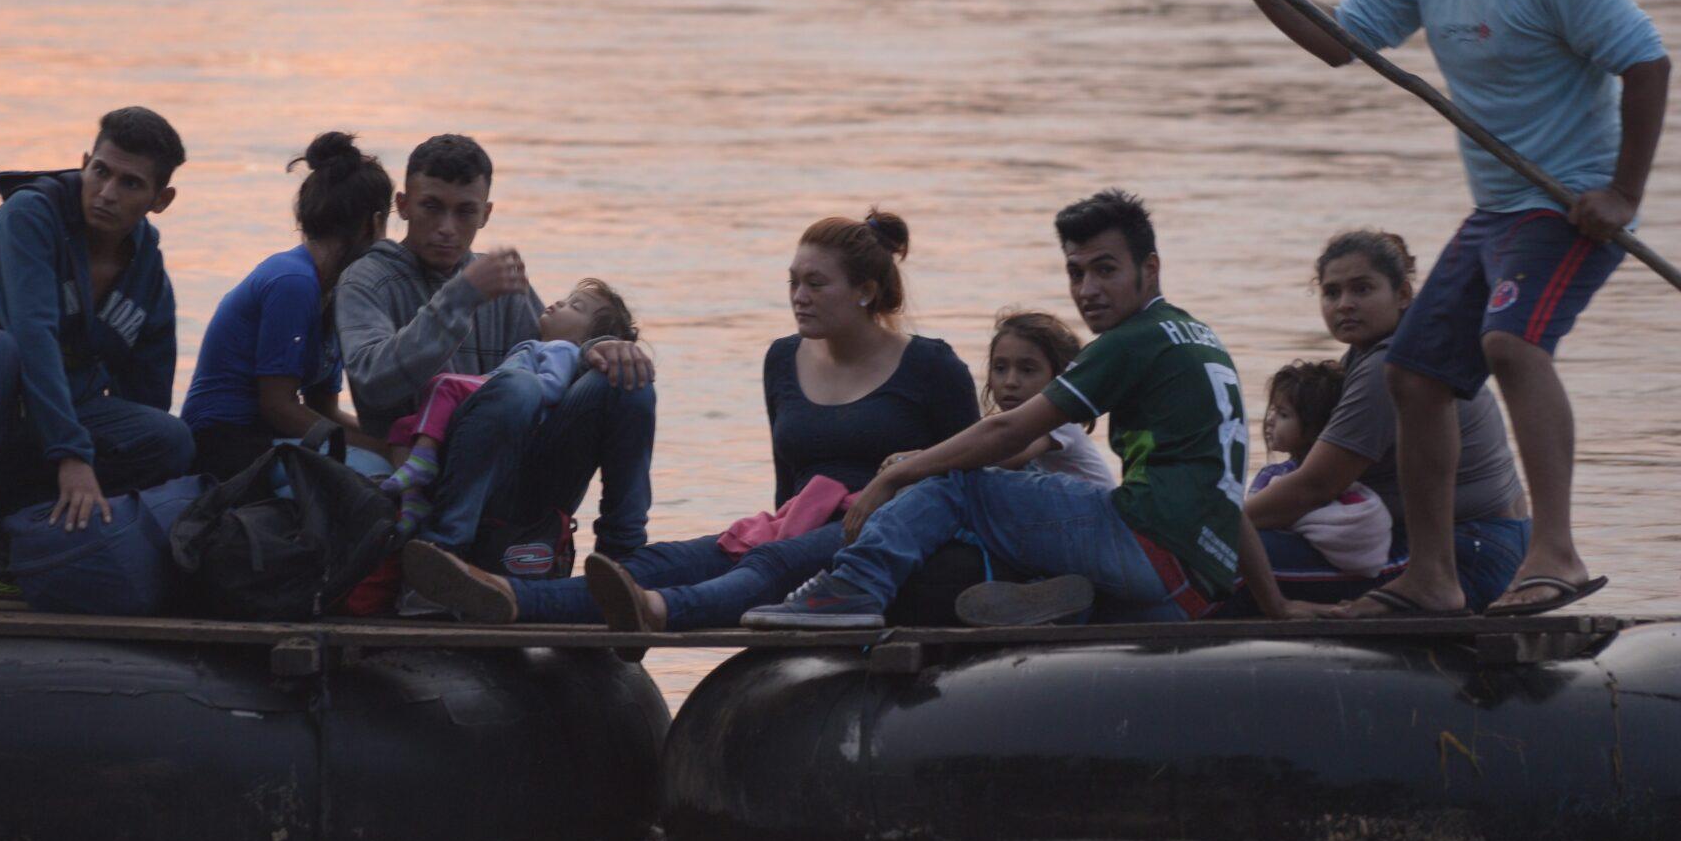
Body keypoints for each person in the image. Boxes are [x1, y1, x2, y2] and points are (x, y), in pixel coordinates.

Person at [1184, 0, 1669, 616]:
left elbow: (1646, 62)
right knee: (1414, 372)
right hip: (1497, 211)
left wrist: (1622, 193)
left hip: (1564, 204)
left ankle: (1557, 551)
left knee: (1511, 346)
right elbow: (1340, 39)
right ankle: (1433, 578)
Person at [744, 190, 1301, 629]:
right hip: (1193, 590)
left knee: (957, 484)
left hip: (1147, 550)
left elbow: (1009, 431)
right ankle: (1064, 606)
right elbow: (1227, 498)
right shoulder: (1197, 335)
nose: (1088, 289)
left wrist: (899, 473)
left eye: (1106, 269)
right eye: (1076, 272)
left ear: (1149, 269)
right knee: (1033, 516)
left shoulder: (1136, 339)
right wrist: (1274, 606)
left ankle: (851, 591)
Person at [400, 209, 978, 630]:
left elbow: (966, 483)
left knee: (767, 565)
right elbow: (789, 485)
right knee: (663, 560)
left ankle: (641, 611)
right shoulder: (783, 358)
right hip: (795, 524)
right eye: (793, 282)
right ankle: (500, 590)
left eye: (816, 283)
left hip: (882, 535)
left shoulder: (930, 365)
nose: (798, 296)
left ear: (866, 291)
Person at [0, 107, 196, 609]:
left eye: (131, 183)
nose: (108, 192)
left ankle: (18, 533)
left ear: (161, 200)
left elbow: (147, 393)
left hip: (41, 430)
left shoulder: (148, 273)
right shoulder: (28, 218)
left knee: (169, 440)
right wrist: (72, 455)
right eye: (100, 171)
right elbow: (33, 335)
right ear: (83, 162)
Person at [334, 134, 656, 593]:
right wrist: (461, 296)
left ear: (486, 214)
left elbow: (551, 360)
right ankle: (443, 558)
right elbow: (373, 382)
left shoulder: (502, 282)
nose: (447, 226)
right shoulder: (368, 279)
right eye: (432, 207)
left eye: (464, 211)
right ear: (402, 205)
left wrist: (601, 351)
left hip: (520, 477)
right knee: (515, 389)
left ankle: (623, 570)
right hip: (429, 483)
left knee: (628, 379)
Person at [1241, 231, 1532, 614]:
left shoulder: (1390, 364)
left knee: (1220, 561)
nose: (1345, 305)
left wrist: (1223, 525)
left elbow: (1316, 485)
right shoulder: (1375, 354)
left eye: (1362, 289)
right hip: (1482, 543)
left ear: (1404, 295)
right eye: (1332, 293)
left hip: (1471, 552)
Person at [181, 133, 394, 482]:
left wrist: (385, 441)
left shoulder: (335, 294)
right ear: (374, 223)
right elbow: (278, 407)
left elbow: (323, 410)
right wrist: (379, 451)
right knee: (374, 472)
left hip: (264, 436)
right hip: (222, 442)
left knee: (381, 460)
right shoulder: (293, 282)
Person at [376, 278, 638, 525]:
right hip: (497, 397)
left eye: (575, 307)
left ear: (582, 340)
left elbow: (552, 387)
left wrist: (506, 387)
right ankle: (413, 497)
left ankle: (421, 464)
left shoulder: (562, 349)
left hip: (507, 401)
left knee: (444, 384)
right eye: (568, 299)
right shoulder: (540, 345)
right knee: (404, 426)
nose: (560, 303)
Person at [1248, 358, 1390, 580]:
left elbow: (1250, 527)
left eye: (1284, 415)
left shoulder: (1283, 478)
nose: (1270, 421)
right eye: (1273, 410)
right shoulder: (1340, 475)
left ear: (1316, 427)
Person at [981, 308, 1113, 487]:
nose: (1010, 382)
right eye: (1000, 368)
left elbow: (1005, 456)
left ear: (1059, 379)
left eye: (1027, 370)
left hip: (1096, 512)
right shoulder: (1019, 426)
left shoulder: (1059, 422)